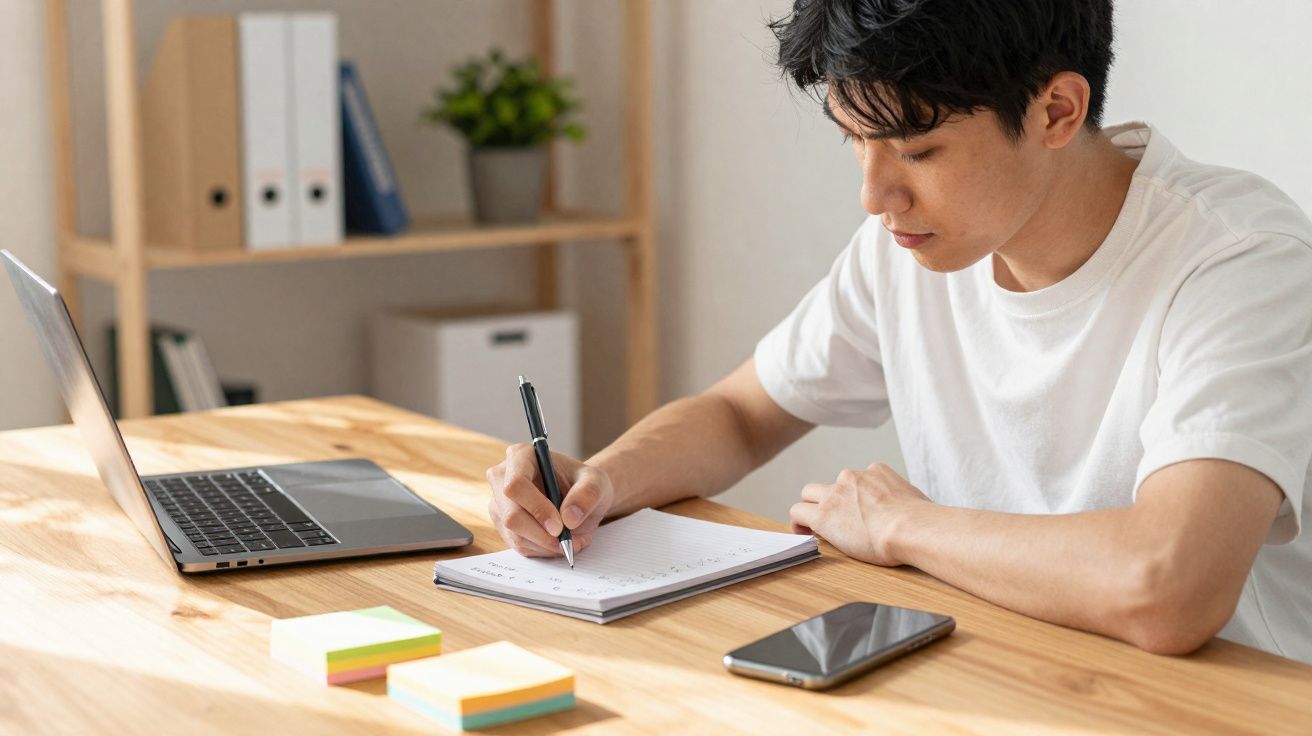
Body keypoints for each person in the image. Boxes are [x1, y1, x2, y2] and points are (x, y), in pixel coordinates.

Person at [485, 0, 1312, 662]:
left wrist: (902, 525)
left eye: (918, 151)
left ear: (1057, 110)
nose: (875, 195)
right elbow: (740, 413)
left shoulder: (1239, 262)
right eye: (856, 140)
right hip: (1009, 674)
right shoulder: (908, 250)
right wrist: (597, 485)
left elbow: (1168, 586)